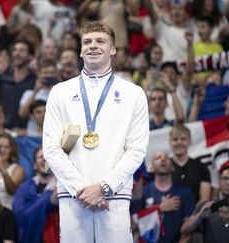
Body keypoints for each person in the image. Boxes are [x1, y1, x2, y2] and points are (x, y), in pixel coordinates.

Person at [42, 21, 149, 242]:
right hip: (73, 196)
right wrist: (83, 189)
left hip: (114, 196)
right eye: (87, 42)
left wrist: (104, 187)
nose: (93, 46)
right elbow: (52, 149)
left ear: (113, 49)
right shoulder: (60, 93)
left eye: (101, 41)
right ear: (81, 50)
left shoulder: (133, 94)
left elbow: (136, 150)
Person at [181, 165, 229, 243]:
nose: (228, 183)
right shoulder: (206, 206)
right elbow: (184, 230)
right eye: (224, 178)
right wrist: (200, 216)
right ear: (219, 182)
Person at [138, 150, 194, 243]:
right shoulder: (143, 192)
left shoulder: (185, 193)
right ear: (151, 168)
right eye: (158, 158)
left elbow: (188, 231)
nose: (163, 159)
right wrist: (159, 208)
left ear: (172, 167)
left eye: (166, 158)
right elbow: (134, 224)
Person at [13, 147, 59, 243]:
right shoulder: (24, 188)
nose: (44, 159)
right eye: (41, 156)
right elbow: (19, 216)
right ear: (34, 164)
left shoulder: (61, 187)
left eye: (47, 156)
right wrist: (47, 195)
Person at [169, 124, 211, 205]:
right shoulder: (163, 168)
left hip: (196, 215)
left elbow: (205, 199)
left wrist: (193, 216)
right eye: (175, 139)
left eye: (183, 139)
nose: (179, 142)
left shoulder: (201, 167)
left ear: (190, 141)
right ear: (170, 142)